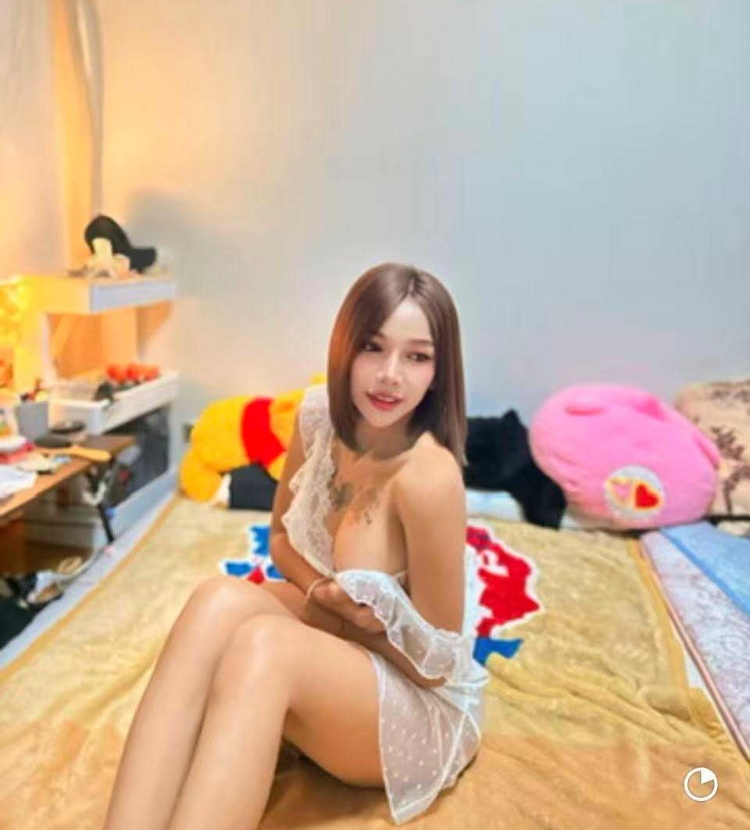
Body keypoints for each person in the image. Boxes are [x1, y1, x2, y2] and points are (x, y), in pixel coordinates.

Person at [103, 262, 489, 829]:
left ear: (438, 371)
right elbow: (282, 537)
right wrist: (323, 593)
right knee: (217, 598)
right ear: (345, 346)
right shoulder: (318, 417)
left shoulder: (428, 477)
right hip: (338, 634)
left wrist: (361, 621)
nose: (390, 376)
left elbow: (438, 665)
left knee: (266, 645)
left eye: (416, 357)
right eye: (373, 347)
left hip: (416, 702)